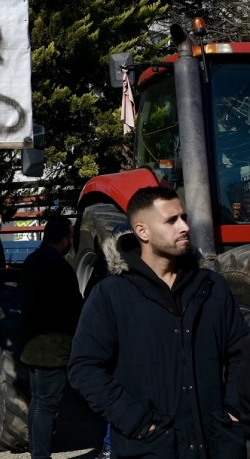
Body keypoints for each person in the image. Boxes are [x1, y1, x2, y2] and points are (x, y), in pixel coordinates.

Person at [69, 186, 248, 458]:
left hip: (217, 445)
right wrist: (138, 423)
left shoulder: (212, 286)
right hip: (151, 449)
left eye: (184, 217)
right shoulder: (111, 295)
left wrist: (234, 412)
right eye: (171, 220)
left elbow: (241, 351)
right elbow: (84, 368)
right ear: (143, 231)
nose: (185, 226)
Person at [19, 215, 83, 459]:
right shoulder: (59, 266)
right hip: (52, 349)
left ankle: (37, 451)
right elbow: (71, 307)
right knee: (47, 405)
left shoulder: (32, 260)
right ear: (66, 240)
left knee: (38, 401)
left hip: (31, 345)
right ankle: (41, 455)